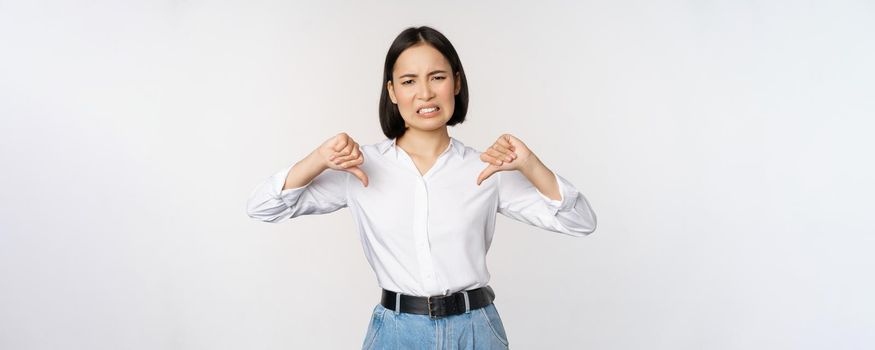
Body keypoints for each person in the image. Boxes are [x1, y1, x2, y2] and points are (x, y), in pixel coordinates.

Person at [246, 26, 597, 350]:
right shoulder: (359, 167)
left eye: (438, 77)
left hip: (475, 331)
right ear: (392, 91)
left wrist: (531, 164)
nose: (425, 93)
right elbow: (263, 206)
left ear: (456, 83)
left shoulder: (488, 169)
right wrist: (318, 158)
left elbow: (581, 222)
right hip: (396, 334)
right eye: (409, 81)